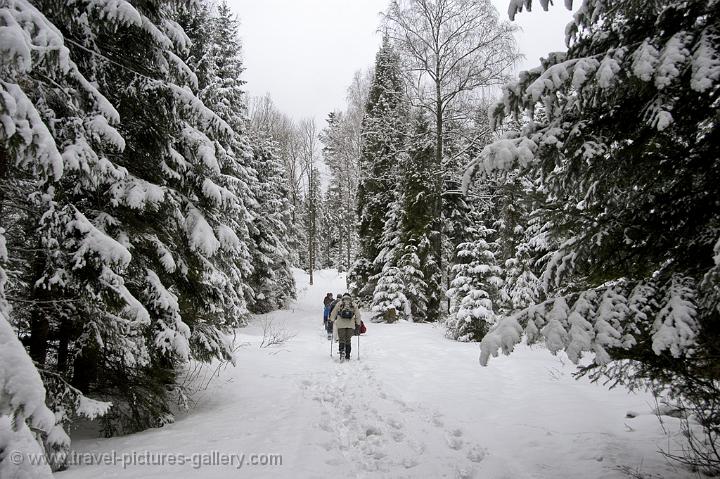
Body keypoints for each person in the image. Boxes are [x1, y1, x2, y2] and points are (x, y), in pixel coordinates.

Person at [329, 293, 361, 360]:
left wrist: (331, 320)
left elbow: (333, 313)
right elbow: (358, 315)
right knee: (348, 340)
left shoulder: (339, 303)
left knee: (341, 339)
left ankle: (342, 352)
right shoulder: (353, 304)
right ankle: (348, 355)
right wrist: (358, 324)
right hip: (350, 325)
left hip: (340, 324)